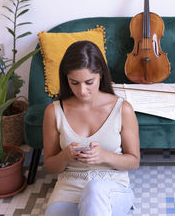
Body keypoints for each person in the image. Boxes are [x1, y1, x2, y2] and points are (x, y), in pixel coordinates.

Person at [43, 40, 140, 216]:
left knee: (95, 189)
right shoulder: (54, 111)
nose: (82, 91)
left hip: (111, 187)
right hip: (69, 189)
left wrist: (104, 156)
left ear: (101, 75)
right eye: (74, 83)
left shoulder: (122, 109)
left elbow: (133, 161)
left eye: (89, 82)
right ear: (66, 79)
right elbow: (50, 166)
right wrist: (65, 156)